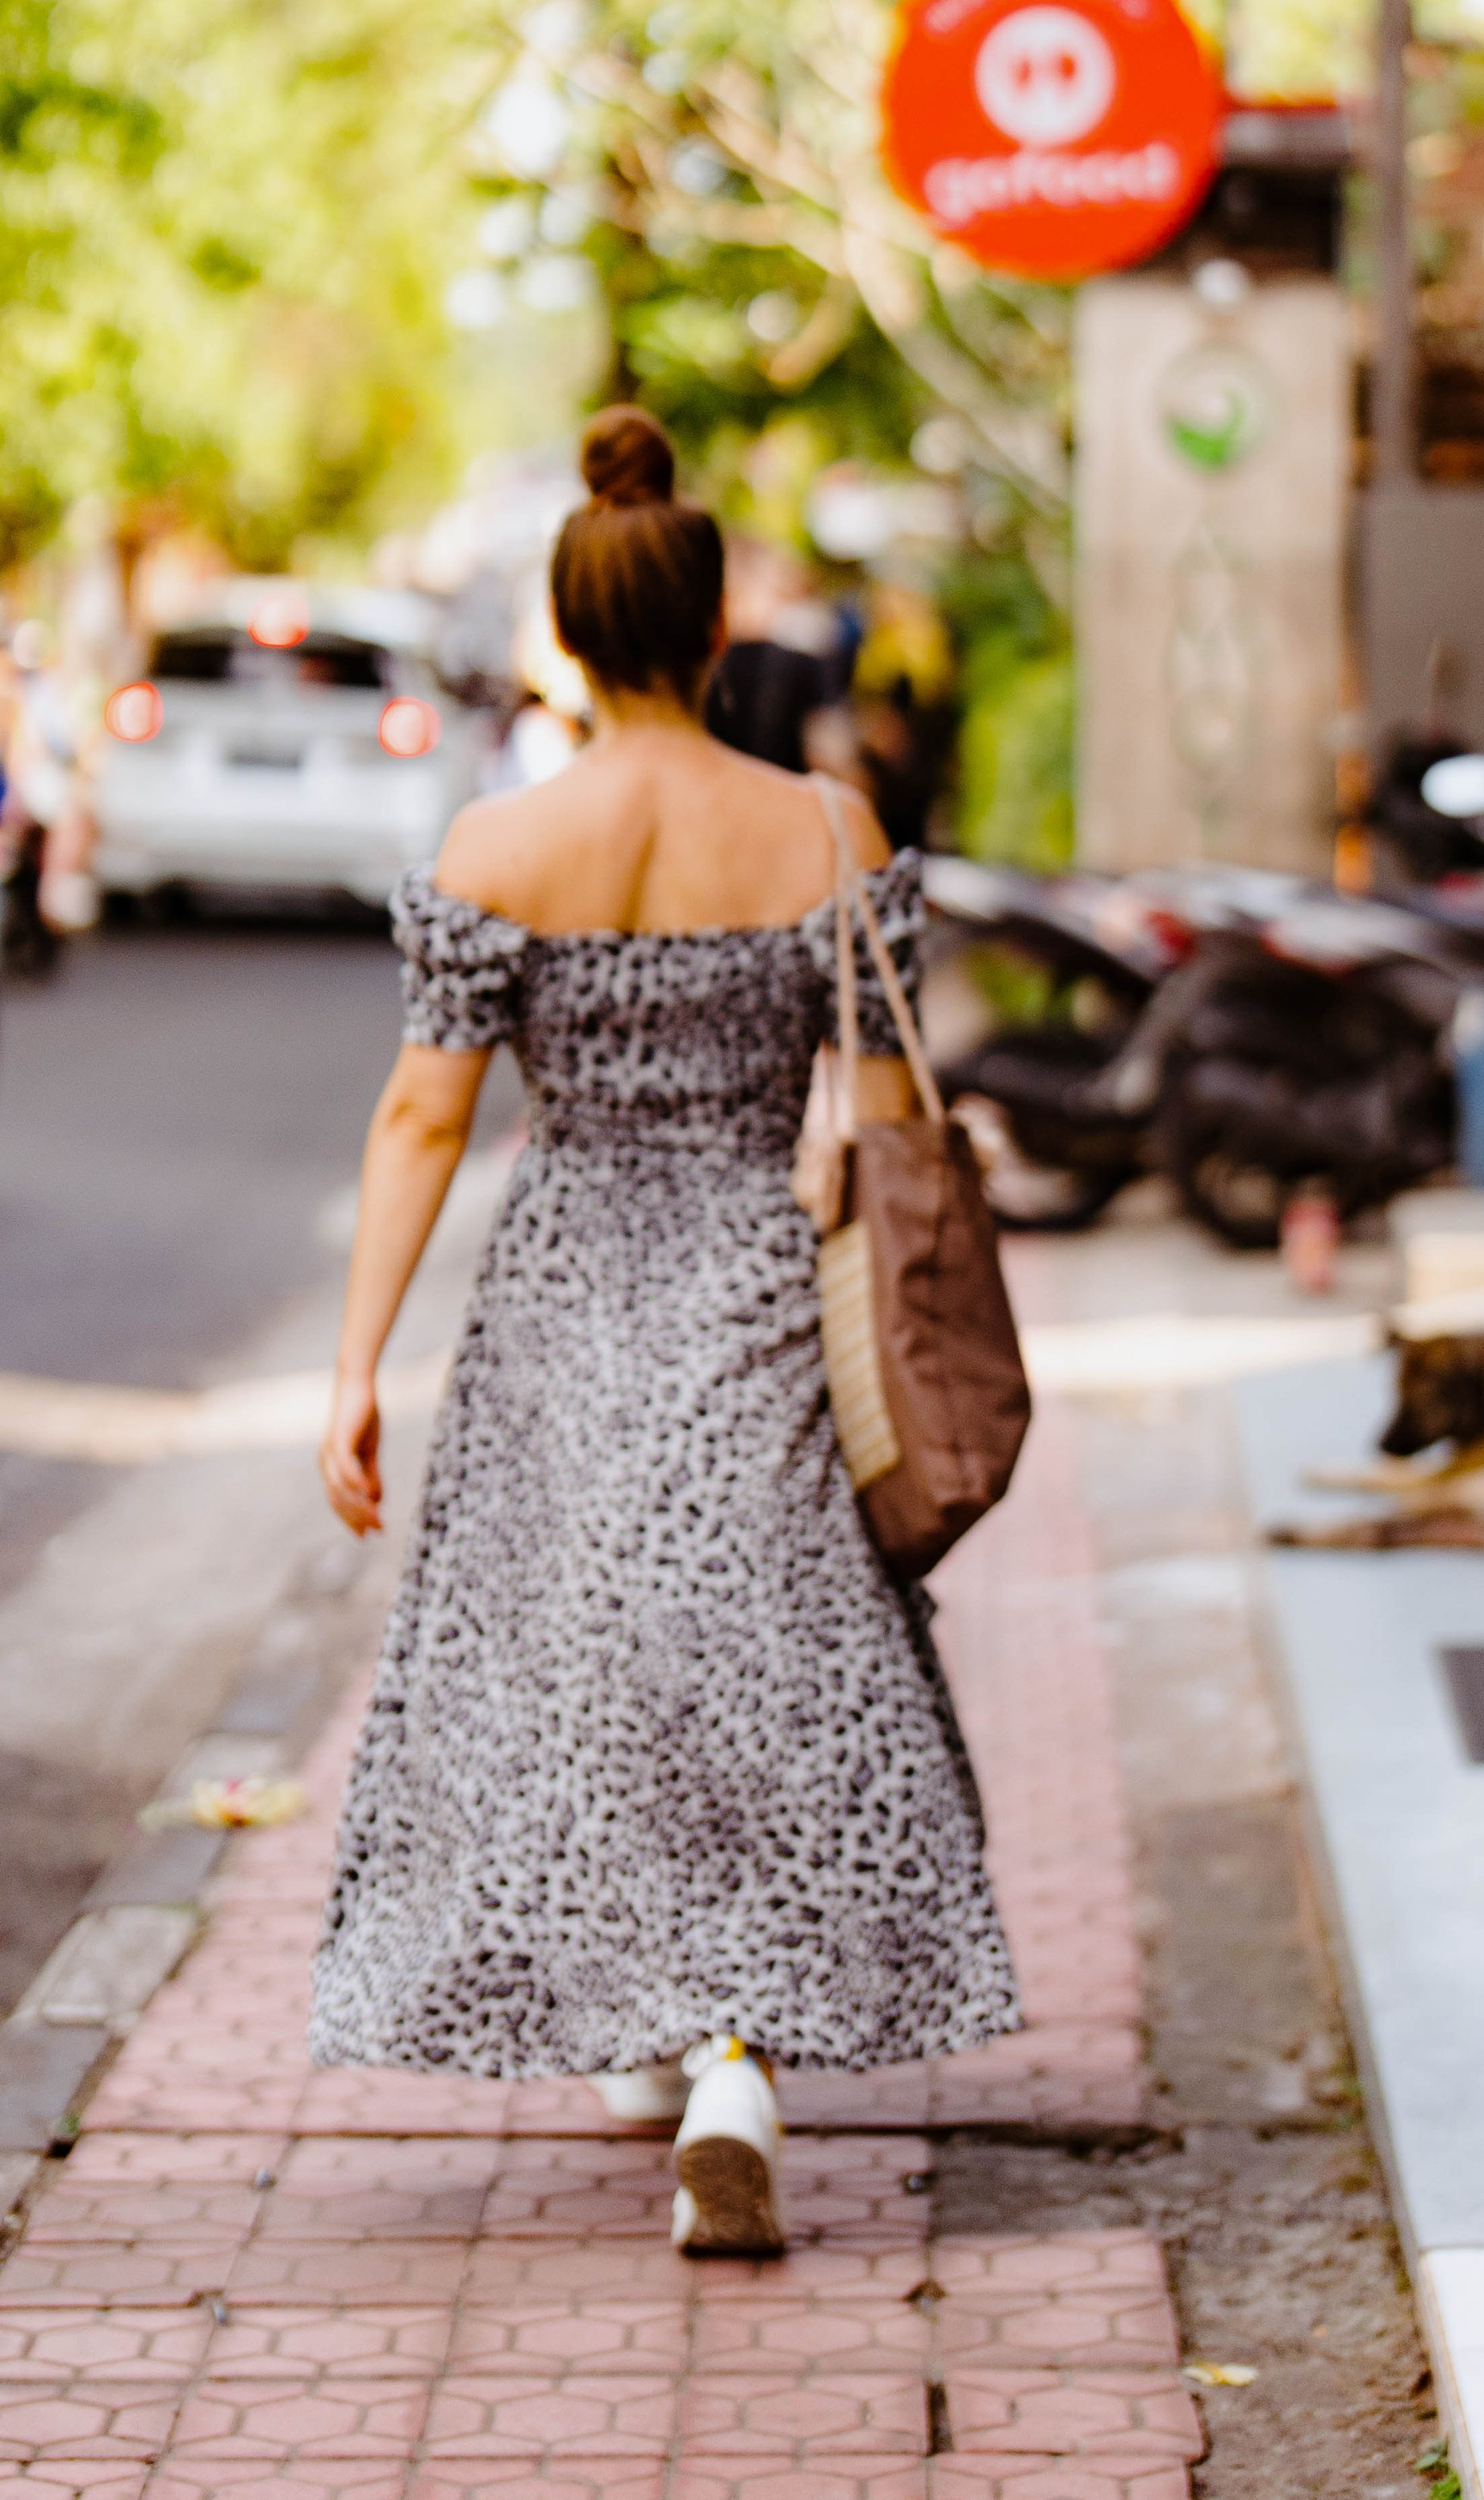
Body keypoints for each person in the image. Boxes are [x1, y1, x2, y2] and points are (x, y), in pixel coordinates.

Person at [311, 406, 1019, 2256]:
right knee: (764, 1655)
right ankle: (714, 2047)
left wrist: (355, 1365)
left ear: (567, 633)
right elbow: (876, 1110)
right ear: (715, 636)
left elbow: (422, 1119)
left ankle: (688, 2036)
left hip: (562, 1289)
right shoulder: (821, 826)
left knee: (593, 1661)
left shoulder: (497, 839)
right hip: (751, 1280)